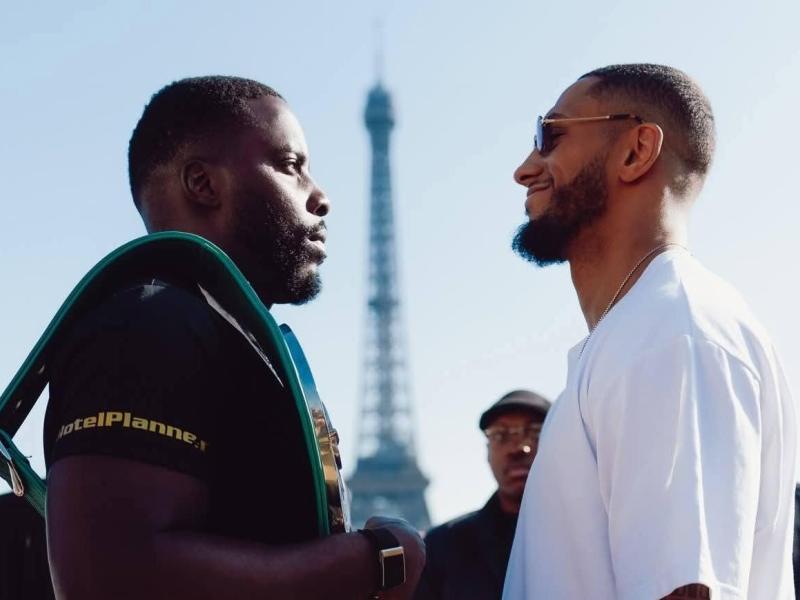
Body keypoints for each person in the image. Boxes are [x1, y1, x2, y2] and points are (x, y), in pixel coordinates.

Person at [42, 76, 424, 599]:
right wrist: (378, 559)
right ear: (203, 184)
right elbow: (111, 576)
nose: (321, 196)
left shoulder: (199, 328)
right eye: (292, 166)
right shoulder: (149, 321)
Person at [504, 64, 796, 600]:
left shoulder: (672, 332)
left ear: (636, 152)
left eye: (551, 136)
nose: (524, 169)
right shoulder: (645, 329)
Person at [414, 390, 550, 600]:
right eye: (500, 435)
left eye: (534, 432)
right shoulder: (441, 547)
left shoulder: (595, 533)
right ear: (487, 452)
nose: (518, 448)